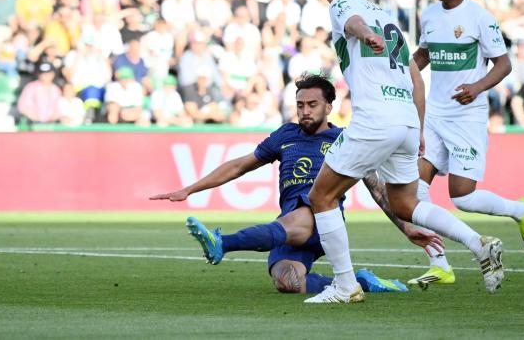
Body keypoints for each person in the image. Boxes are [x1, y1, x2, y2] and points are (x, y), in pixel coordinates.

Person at [303, 0, 504, 304]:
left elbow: (351, 22)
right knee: (405, 202)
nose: (328, 0)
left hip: (375, 119)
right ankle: (478, 243)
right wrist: (419, 128)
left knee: (321, 197)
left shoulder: (341, 5)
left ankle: (344, 285)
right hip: (406, 120)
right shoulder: (385, 15)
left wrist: (365, 34)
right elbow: (416, 80)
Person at [150, 74, 442, 294]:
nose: (305, 111)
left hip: (320, 217)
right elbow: (239, 165)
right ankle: (358, 281)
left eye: (312, 104)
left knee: (307, 205)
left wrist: (406, 228)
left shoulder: (344, 139)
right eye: (300, 105)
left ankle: (222, 243)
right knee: (288, 282)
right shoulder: (285, 135)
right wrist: (190, 189)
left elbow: (377, 189)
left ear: (329, 107)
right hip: (290, 223)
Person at [410, 0, 524, 287]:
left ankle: (520, 210)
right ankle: (440, 263)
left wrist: (477, 86)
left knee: (462, 197)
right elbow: (423, 55)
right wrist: (398, 74)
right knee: (413, 190)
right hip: (435, 115)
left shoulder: (479, 18)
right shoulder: (430, 16)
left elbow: (504, 63)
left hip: (466, 116)